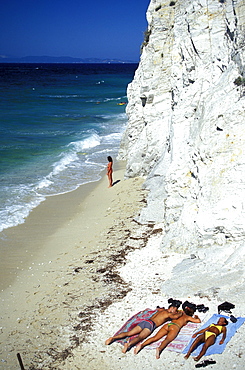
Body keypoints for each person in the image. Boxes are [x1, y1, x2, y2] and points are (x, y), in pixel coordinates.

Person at [105, 304, 182, 353]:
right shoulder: (168, 314)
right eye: (175, 310)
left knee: (129, 333)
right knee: (140, 337)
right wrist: (180, 312)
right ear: (172, 308)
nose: (175, 311)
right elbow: (176, 316)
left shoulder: (161, 310)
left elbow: (158, 309)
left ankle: (113, 338)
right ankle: (128, 345)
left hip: (146, 321)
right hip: (151, 325)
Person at [134, 305, 201, 358]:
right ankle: (159, 349)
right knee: (167, 340)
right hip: (175, 327)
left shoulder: (179, 312)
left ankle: (141, 345)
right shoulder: (187, 317)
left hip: (168, 325)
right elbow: (198, 321)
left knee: (155, 337)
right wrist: (197, 317)